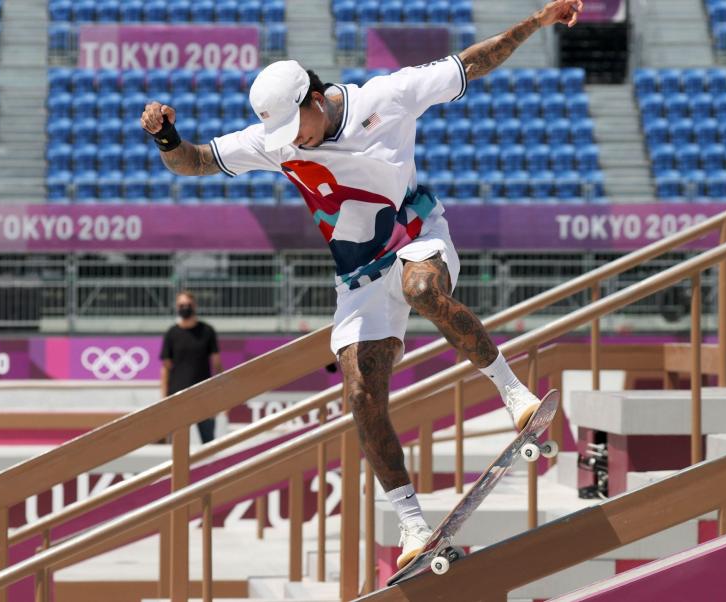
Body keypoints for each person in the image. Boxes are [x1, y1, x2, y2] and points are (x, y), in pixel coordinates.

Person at [142, 0, 582, 569]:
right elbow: (196, 162)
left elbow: (473, 62)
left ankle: (511, 391)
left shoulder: (386, 97)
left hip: (417, 231)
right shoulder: (275, 141)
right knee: (359, 396)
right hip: (358, 276)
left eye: (295, 126)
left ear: (315, 98)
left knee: (422, 290)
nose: (289, 143)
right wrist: (167, 138)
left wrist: (537, 23)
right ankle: (413, 525)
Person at [160, 291, 223, 444]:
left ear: (195, 306)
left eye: (188, 305)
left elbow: (217, 364)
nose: (185, 308)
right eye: (181, 305)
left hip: (204, 394)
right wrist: (163, 397)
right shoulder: (171, 333)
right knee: (177, 444)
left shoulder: (207, 331)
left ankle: (210, 468)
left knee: (208, 442)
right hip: (178, 396)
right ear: (176, 307)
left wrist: (219, 393)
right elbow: (166, 367)